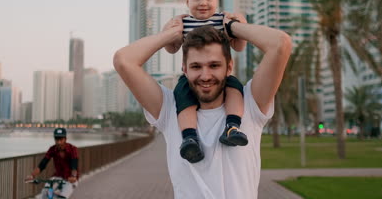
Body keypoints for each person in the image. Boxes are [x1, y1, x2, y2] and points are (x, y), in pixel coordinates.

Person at [113, 14, 291, 198]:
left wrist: (232, 27)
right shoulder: (168, 109)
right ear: (185, 69)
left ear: (229, 67)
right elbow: (123, 60)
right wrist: (171, 34)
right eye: (196, 66)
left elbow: (281, 44)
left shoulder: (251, 104)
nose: (205, 76)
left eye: (214, 65)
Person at [163, 0, 248, 163]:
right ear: (187, 1)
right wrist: (168, 29)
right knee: (183, 100)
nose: (203, 3)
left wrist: (240, 23)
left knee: (235, 89)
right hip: (191, 78)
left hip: (222, 77)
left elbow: (239, 46)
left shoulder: (222, 20)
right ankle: (189, 137)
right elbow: (171, 48)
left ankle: (232, 126)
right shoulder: (183, 22)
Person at [26, 127, 79, 199]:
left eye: (61, 139)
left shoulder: (72, 149)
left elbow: (74, 164)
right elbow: (43, 164)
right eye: (57, 139)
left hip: (70, 179)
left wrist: (73, 176)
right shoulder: (52, 149)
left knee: (62, 196)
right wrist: (32, 175)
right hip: (57, 177)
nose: (59, 142)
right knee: (45, 192)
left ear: (65, 139)